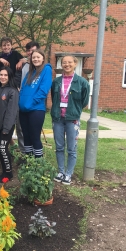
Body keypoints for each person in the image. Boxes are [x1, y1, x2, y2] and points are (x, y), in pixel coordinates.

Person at [51, 55, 90, 185]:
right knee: (59, 147)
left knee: (71, 148)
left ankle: (68, 174)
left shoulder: (82, 82)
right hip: (58, 118)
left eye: (69, 62)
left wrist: (75, 110)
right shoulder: (56, 82)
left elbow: (84, 101)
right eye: (64, 62)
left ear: (75, 64)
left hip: (72, 119)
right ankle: (61, 172)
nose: (66, 64)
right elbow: (54, 98)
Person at [19, 49, 52, 158]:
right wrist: (21, 102)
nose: (36, 59)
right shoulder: (30, 72)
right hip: (23, 110)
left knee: (34, 137)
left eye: (38, 57)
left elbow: (43, 91)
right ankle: (29, 162)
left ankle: (38, 163)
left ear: (43, 58)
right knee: (26, 137)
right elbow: (23, 89)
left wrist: (30, 103)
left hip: (36, 109)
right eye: (33, 57)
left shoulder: (46, 70)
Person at [13, 41, 41, 156]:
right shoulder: (22, 66)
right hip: (22, 103)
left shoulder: (42, 68)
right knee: (20, 129)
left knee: (33, 133)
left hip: (35, 106)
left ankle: (35, 158)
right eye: (28, 51)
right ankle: (25, 156)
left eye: (33, 50)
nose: (31, 53)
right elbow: (16, 81)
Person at [0, 67, 19, 183]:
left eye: (5, 75)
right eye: (1, 75)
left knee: (3, 149)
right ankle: (4, 170)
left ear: (9, 77)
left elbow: (11, 111)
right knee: (0, 149)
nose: (2, 77)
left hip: (6, 127)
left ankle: (8, 173)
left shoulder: (12, 91)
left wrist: (6, 128)